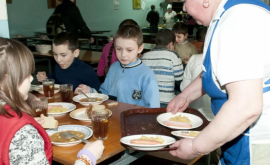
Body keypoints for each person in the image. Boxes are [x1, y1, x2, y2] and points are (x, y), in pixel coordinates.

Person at [167, 0, 270, 164]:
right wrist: (185, 96)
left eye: (185, 1)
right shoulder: (227, 15)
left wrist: (195, 147)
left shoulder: (237, 20)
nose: (184, 8)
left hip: (254, 143)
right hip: (237, 135)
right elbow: (216, 71)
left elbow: (245, 107)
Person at [0, 38, 104, 165]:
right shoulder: (23, 134)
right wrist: (86, 158)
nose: (32, 78)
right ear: (6, 79)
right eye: (26, 74)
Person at [76, 25, 160, 108]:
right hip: (113, 118)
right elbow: (104, 95)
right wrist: (90, 91)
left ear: (140, 49)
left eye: (129, 50)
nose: (123, 55)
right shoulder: (113, 67)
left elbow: (153, 108)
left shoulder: (146, 75)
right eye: (119, 49)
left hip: (135, 120)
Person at [142, 29, 183, 107]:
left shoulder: (145, 56)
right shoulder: (173, 56)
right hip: (167, 101)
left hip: (147, 100)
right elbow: (179, 80)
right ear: (171, 44)